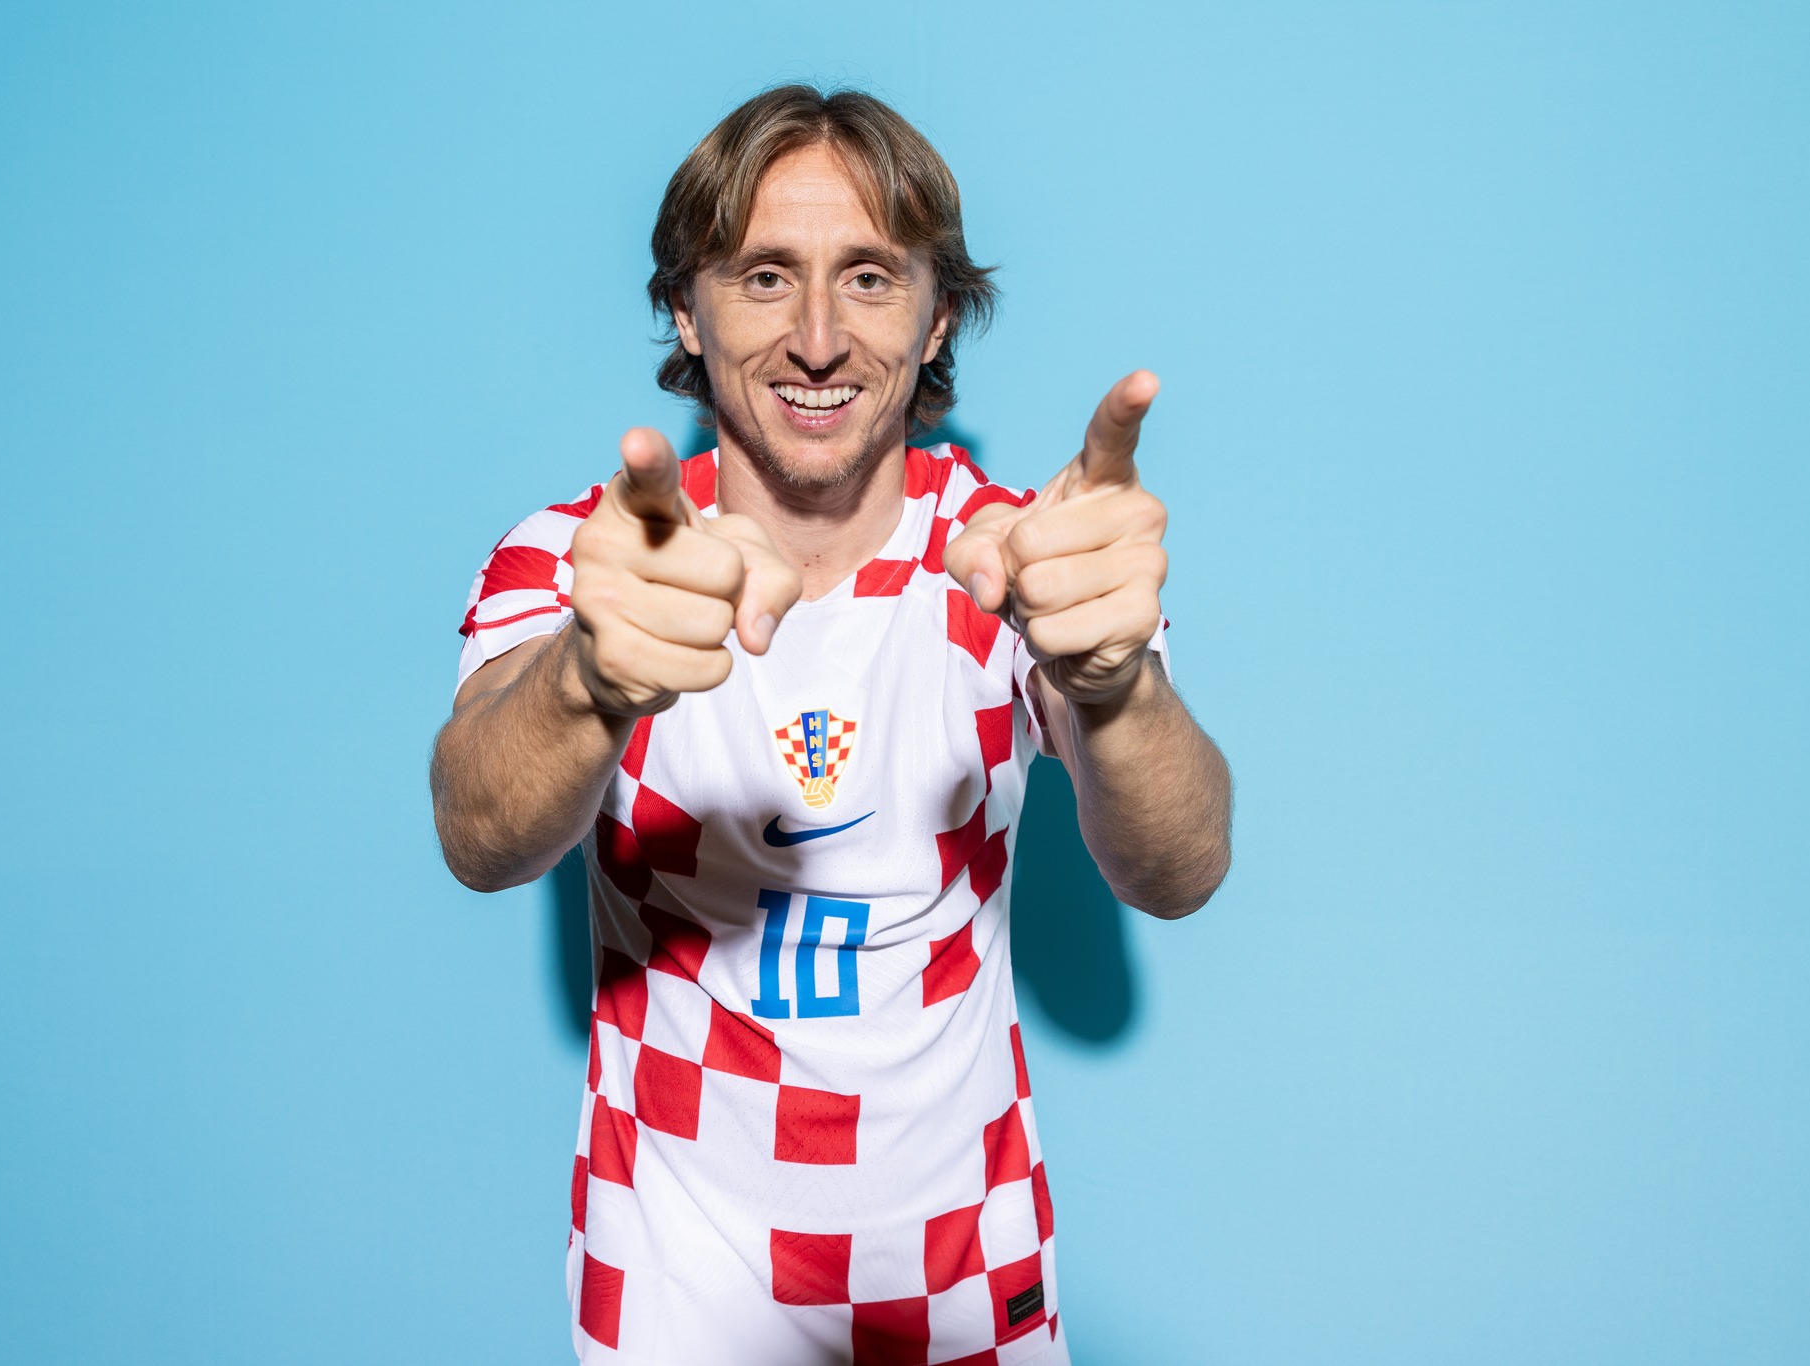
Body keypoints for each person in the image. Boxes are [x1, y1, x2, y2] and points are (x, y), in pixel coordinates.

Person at [430, 84, 1232, 1366]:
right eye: (763, 277)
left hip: (963, 1281)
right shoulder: (591, 560)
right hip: (677, 1289)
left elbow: (1177, 869)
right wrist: (589, 677)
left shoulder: (1015, 558)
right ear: (685, 309)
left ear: (933, 316)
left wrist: (1112, 683)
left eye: (867, 277)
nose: (817, 338)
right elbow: (478, 833)